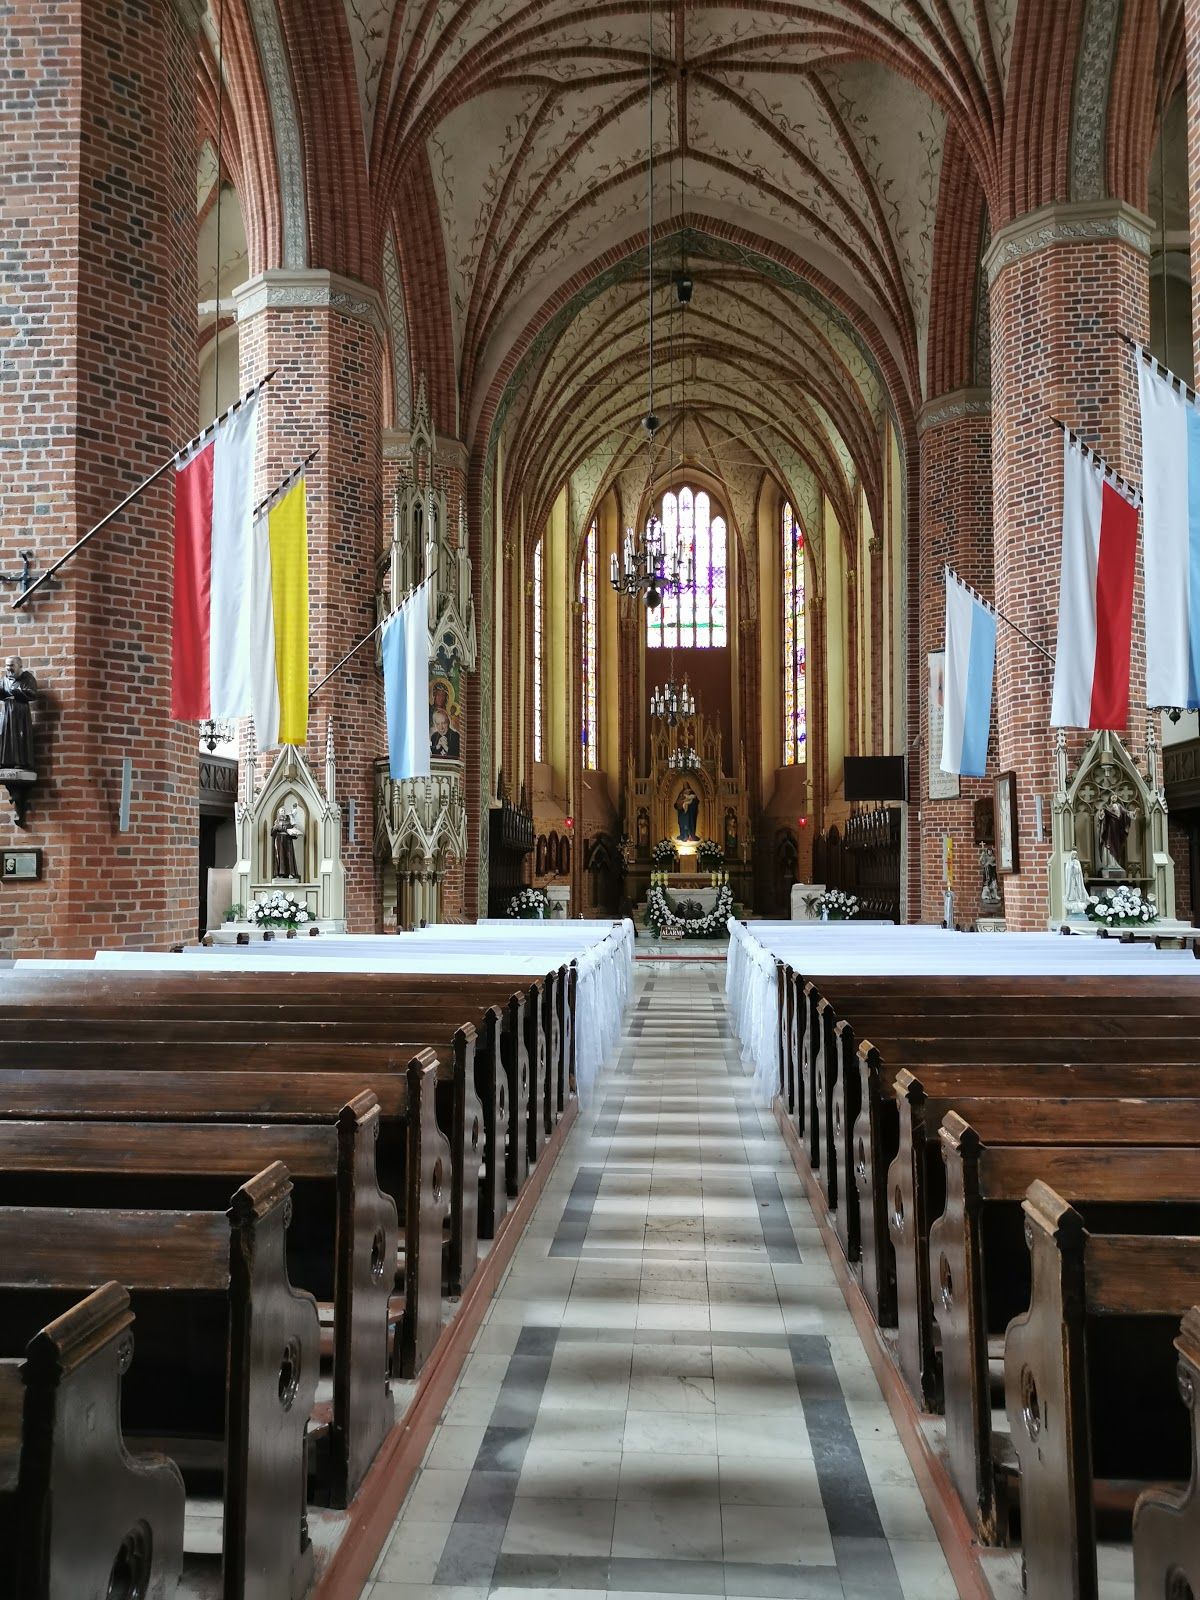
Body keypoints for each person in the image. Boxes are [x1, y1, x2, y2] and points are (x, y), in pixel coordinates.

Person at [0, 656, 38, 772]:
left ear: (19, 666)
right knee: (4, 735)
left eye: (11, 665)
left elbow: (32, 694)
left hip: (20, 711)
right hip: (6, 711)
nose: (8, 668)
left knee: (19, 735)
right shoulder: (4, 679)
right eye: (7, 665)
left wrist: (18, 692)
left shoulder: (27, 678)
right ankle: (5, 761)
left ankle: (20, 762)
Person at [271, 801, 302, 880]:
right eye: (281, 811)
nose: (283, 812)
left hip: (287, 840)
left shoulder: (288, 820)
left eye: (284, 811)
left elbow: (291, 827)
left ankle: (290, 873)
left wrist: (294, 833)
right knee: (280, 856)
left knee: (289, 856)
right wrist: (277, 827)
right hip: (279, 840)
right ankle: (281, 873)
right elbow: (272, 832)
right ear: (279, 813)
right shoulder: (276, 822)